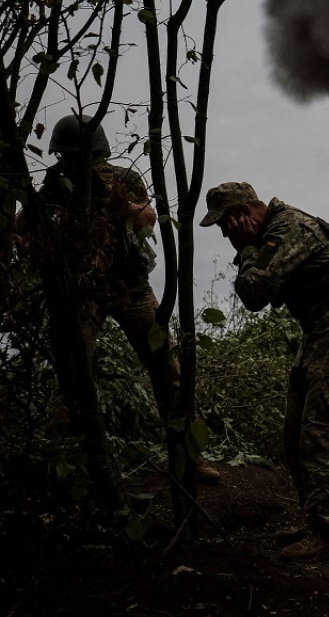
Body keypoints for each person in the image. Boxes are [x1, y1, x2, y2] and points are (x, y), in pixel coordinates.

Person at [35, 114, 220, 486]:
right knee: (73, 372)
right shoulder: (56, 183)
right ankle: (67, 461)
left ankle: (189, 457)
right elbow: (35, 223)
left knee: (167, 370)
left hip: (131, 286)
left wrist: (113, 203)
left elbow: (148, 218)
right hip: (85, 290)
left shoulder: (123, 179)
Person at [201, 181, 329, 562]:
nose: (226, 233)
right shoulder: (278, 231)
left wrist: (246, 248)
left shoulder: (289, 228)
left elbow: (254, 292)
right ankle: (315, 523)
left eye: (225, 224)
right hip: (318, 339)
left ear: (242, 213)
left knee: (318, 440)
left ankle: (326, 536)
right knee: (294, 438)